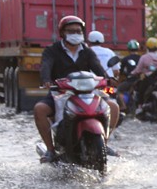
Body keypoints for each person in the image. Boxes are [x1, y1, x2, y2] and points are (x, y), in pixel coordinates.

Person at [34, 15, 119, 161]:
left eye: (78, 31)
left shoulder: (87, 51)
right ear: (62, 33)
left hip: (87, 91)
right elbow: (46, 65)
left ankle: (104, 142)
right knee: (39, 109)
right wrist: (46, 79)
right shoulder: (52, 50)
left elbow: (97, 67)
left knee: (113, 106)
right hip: (59, 92)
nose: (75, 34)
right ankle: (50, 150)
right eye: (71, 31)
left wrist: (107, 79)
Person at [129, 37, 157, 110]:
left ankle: (140, 105)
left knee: (140, 90)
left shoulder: (144, 57)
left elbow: (138, 70)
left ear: (148, 46)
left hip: (148, 79)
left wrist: (132, 73)